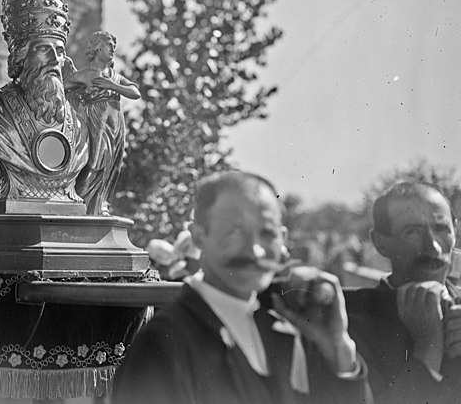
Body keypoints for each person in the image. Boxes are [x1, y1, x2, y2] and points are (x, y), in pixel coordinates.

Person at [113, 171, 370, 404]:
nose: (255, 251)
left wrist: (338, 349)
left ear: (283, 238)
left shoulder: (291, 329)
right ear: (199, 235)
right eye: (236, 232)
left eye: (267, 234)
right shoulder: (165, 342)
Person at [0, 0, 89, 210]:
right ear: (20, 56)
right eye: (42, 49)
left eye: (59, 51)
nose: (53, 60)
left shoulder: (81, 128)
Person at [344, 181, 461, 403]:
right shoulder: (353, 324)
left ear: (455, 230)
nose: (433, 247)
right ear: (380, 243)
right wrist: (428, 350)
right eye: (412, 232)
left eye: (441, 229)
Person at [66, 31, 140, 215]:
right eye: (109, 46)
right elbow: (61, 87)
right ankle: (83, 204)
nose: (113, 50)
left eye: (114, 47)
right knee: (94, 162)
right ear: (98, 47)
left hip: (115, 124)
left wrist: (112, 86)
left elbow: (135, 92)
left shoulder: (114, 76)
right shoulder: (83, 75)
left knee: (112, 164)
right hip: (95, 123)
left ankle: (101, 204)